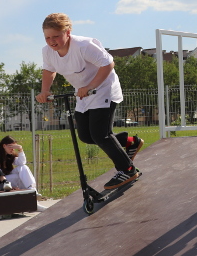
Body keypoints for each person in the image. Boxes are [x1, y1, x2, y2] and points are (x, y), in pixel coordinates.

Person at [35, 13, 144, 190]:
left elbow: (108, 64)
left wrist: (91, 86)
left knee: (101, 134)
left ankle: (128, 169)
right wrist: (45, 90)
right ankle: (130, 140)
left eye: (56, 36)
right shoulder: (47, 52)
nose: (52, 41)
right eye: (47, 37)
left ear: (67, 32)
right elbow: (49, 70)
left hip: (104, 88)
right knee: (86, 136)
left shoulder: (83, 46)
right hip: (84, 93)